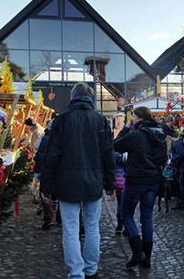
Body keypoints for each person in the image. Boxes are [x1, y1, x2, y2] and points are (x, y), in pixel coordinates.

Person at [40, 83, 116, 279]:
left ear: (72, 96)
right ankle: (91, 269)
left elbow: (51, 155)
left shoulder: (62, 120)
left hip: (67, 182)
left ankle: (76, 273)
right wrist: (110, 184)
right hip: (93, 181)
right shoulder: (100, 120)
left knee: (71, 229)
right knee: (92, 227)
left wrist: (46, 186)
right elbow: (109, 155)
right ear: (91, 98)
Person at [114, 106, 167, 269]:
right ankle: (147, 258)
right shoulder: (160, 134)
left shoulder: (136, 135)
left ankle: (138, 252)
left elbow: (116, 145)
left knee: (126, 214)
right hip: (153, 179)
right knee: (146, 216)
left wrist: (125, 127)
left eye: (133, 117)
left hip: (136, 179)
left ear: (138, 118)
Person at [34, 120, 56, 230]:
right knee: (61, 194)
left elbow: (40, 154)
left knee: (45, 194)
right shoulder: (65, 137)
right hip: (60, 170)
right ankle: (60, 218)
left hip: (47, 168)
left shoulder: (46, 137)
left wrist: (37, 170)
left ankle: (48, 218)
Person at [171, 128, 184, 210]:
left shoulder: (176, 143)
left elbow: (180, 155)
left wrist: (173, 161)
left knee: (182, 184)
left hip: (182, 167)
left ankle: (182, 201)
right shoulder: (179, 143)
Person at [114, 153, 126, 234]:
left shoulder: (113, 156)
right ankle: (126, 226)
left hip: (117, 183)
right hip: (125, 182)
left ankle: (119, 225)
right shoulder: (126, 156)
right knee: (126, 205)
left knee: (119, 203)